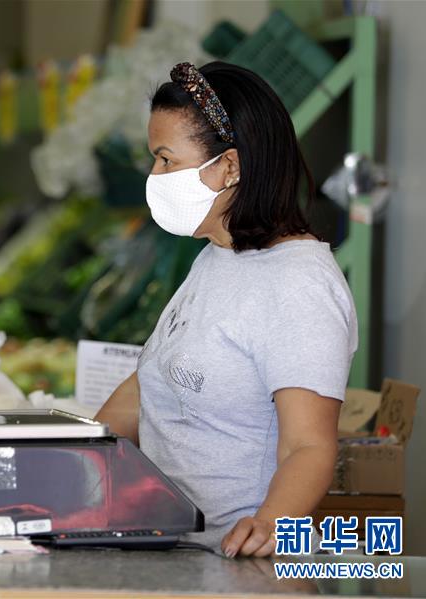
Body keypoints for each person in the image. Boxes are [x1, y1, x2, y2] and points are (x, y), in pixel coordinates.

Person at [96, 62, 357, 557]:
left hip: (237, 565)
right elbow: (149, 385)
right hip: (176, 550)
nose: (155, 176)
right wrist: (76, 454)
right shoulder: (217, 256)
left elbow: (310, 446)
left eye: (166, 160)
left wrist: (267, 526)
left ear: (229, 167)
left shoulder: (299, 285)